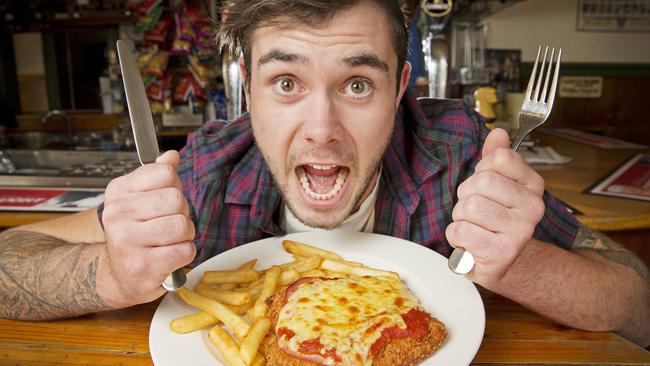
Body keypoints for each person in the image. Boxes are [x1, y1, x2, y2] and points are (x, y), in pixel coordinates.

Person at [1, 0, 648, 347]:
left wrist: (521, 264)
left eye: (357, 83)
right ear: (247, 89)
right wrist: (109, 275)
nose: (321, 128)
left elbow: (639, 306)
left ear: (400, 87)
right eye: (286, 81)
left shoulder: (461, 153)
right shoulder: (204, 168)